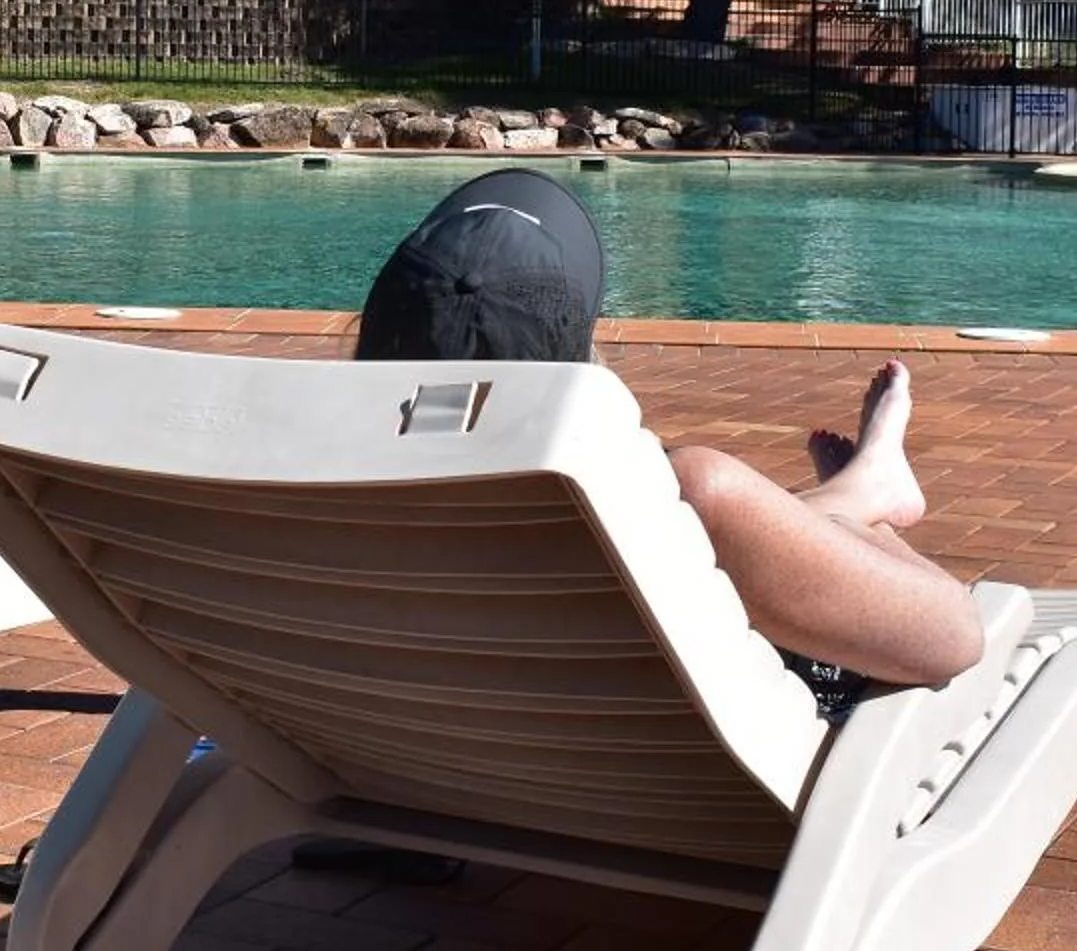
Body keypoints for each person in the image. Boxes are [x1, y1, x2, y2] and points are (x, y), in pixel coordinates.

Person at [356, 168, 984, 697]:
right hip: (660, 805)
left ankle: (860, 486)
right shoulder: (684, 497)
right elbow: (955, 636)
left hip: (414, 785)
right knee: (700, 512)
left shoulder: (310, 494)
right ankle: (866, 495)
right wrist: (871, 532)